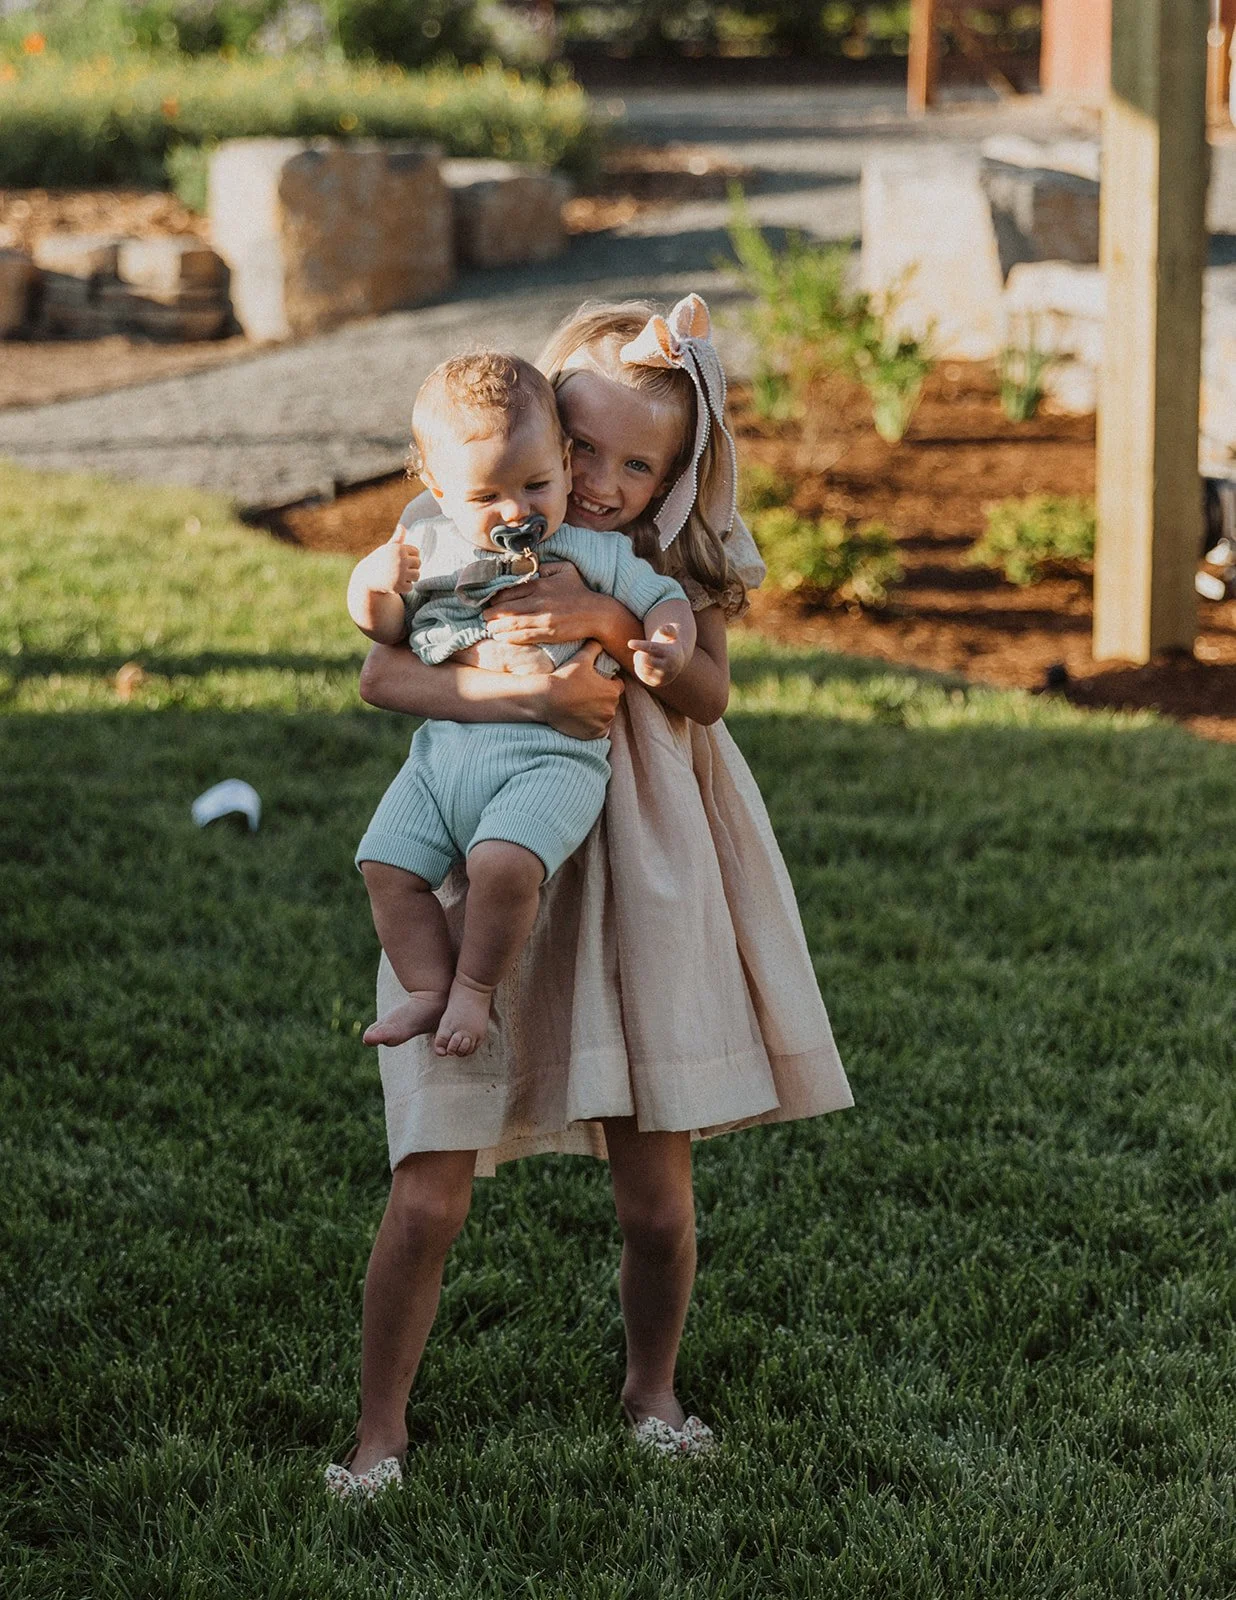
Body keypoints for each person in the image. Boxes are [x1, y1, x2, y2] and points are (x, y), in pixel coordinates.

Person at [324, 295, 852, 1501]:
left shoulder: (681, 561)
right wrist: (522, 704)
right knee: (429, 1176)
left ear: (677, 471)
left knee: (656, 1193)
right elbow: (382, 669)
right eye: (582, 448)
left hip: (646, 871)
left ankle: (652, 1389)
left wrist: (617, 625)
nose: (600, 483)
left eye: (637, 462)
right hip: (490, 853)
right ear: (538, 426)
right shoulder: (463, 522)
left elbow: (708, 693)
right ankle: (378, 1429)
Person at [347, 351, 695, 1057]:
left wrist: (666, 642)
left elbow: (664, 598)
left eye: (537, 484)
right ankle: (426, 990)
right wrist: (373, 585)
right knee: (383, 865)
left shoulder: (585, 549)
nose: (516, 512)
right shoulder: (429, 544)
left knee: (502, 866)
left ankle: (473, 991)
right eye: (486, 499)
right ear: (439, 490)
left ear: (563, 465)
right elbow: (386, 637)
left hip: (551, 760)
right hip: (442, 759)